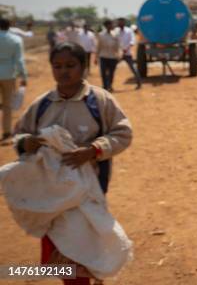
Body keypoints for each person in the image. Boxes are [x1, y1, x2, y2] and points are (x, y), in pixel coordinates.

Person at [13, 42, 132, 285]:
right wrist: (27, 143)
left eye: (70, 65)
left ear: (84, 67)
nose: (64, 71)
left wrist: (93, 150)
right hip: (51, 194)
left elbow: (122, 134)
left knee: (89, 240)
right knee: (62, 248)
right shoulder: (42, 104)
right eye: (57, 66)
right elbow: (20, 134)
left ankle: (95, 274)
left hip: (89, 190)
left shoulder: (99, 100)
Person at [0, 18, 28, 140]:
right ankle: (6, 132)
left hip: (8, 74)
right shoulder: (16, 39)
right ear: (9, 26)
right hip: (8, 75)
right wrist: (23, 76)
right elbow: (19, 60)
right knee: (7, 105)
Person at [116, 18, 142, 89]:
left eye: (121, 22)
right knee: (111, 69)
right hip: (118, 54)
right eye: (119, 22)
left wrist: (126, 49)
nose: (120, 24)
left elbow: (132, 41)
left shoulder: (129, 31)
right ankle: (108, 85)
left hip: (127, 54)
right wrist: (120, 51)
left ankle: (139, 83)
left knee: (133, 68)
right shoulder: (116, 31)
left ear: (124, 23)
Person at [96, 20, 121, 92]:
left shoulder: (115, 35)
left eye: (111, 25)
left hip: (113, 57)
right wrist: (96, 57)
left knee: (111, 73)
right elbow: (98, 46)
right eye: (109, 25)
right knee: (103, 72)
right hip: (103, 56)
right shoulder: (101, 35)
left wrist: (118, 55)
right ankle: (105, 86)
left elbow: (118, 46)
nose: (111, 26)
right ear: (106, 26)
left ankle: (110, 85)